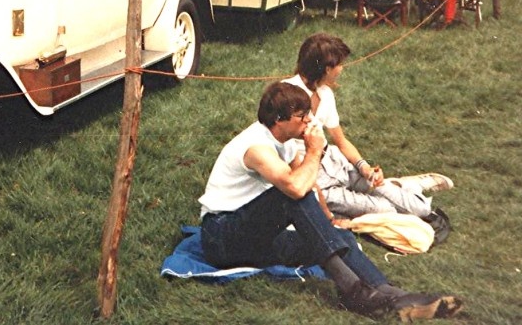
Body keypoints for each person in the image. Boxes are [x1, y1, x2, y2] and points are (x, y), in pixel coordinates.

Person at [198, 81, 462, 320]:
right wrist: (314, 150)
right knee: (288, 195)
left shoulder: (287, 140)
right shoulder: (256, 147)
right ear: (279, 120)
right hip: (223, 237)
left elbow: (310, 185)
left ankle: (389, 295)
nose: (310, 121)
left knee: (338, 237)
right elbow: (295, 189)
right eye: (303, 117)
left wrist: (329, 222)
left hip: (257, 234)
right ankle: (353, 291)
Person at [283, 33, 451, 220]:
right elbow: (283, 153)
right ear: (327, 69)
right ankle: (402, 187)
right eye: (340, 64)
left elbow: (340, 141)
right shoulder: (287, 94)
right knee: (387, 210)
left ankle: (402, 187)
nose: (342, 69)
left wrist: (365, 168)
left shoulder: (325, 93)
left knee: (421, 210)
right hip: (316, 178)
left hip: (336, 163)